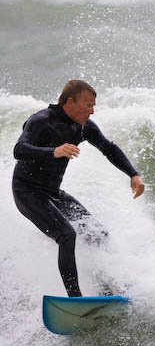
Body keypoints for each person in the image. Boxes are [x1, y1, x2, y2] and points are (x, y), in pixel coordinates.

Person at [12, 80, 145, 297]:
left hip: (52, 193)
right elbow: (19, 149)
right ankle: (75, 299)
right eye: (88, 105)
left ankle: (108, 291)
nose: (92, 111)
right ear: (70, 102)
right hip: (26, 191)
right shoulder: (41, 120)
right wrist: (53, 151)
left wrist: (133, 174)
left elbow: (109, 148)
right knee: (67, 235)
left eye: (93, 106)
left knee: (98, 234)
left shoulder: (83, 127)